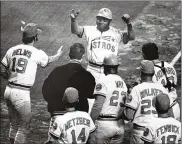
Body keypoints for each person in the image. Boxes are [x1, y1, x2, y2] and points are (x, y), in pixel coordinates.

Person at [0, 22, 63, 144]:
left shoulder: (11, 50)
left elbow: (2, 69)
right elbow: (48, 61)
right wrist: (58, 55)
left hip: (8, 91)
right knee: (24, 128)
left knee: (13, 125)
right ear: (35, 37)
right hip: (21, 94)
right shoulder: (36, 52)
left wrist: (11, 77)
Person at [70, 7, 135, 113]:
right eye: (99, 18)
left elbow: (131, 37)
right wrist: (73, 20)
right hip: (92, 69)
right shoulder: (89, 30)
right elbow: (75, 30)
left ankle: (105, 118)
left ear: (109, 21)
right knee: (90, 96)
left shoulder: (116, 33)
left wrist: (129, 24)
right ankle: (91, 121)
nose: (101, 21)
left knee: (108, 95)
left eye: (104, 19)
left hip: (109, 71)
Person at [42, 43, 95, 143]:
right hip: (78, 118)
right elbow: (91, 95)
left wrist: (54, 104)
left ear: (69, 55)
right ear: (83, 56)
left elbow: (45, 90)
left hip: (57, 115)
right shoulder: (87, 75)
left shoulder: (56, 71)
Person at [122, 60, 174, 144]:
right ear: (153, 73)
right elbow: (171, 114)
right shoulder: (162, 89)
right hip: (158, 131)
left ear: (141, 73)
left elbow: (129, 115)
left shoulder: (137, 89)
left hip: (140, 133)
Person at [89, 54, 128, 144]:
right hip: (119, 125)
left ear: (105, 67)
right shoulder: (123, 83)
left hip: (104, 125)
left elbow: (98, 105)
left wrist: (90, 122)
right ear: (117, 67)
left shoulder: (103, 80)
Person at [142, 42, 180, 121]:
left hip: (164, 111)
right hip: (175, 107)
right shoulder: (170, 66)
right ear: (157, 54)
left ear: (144, 56)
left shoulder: (150, 72)